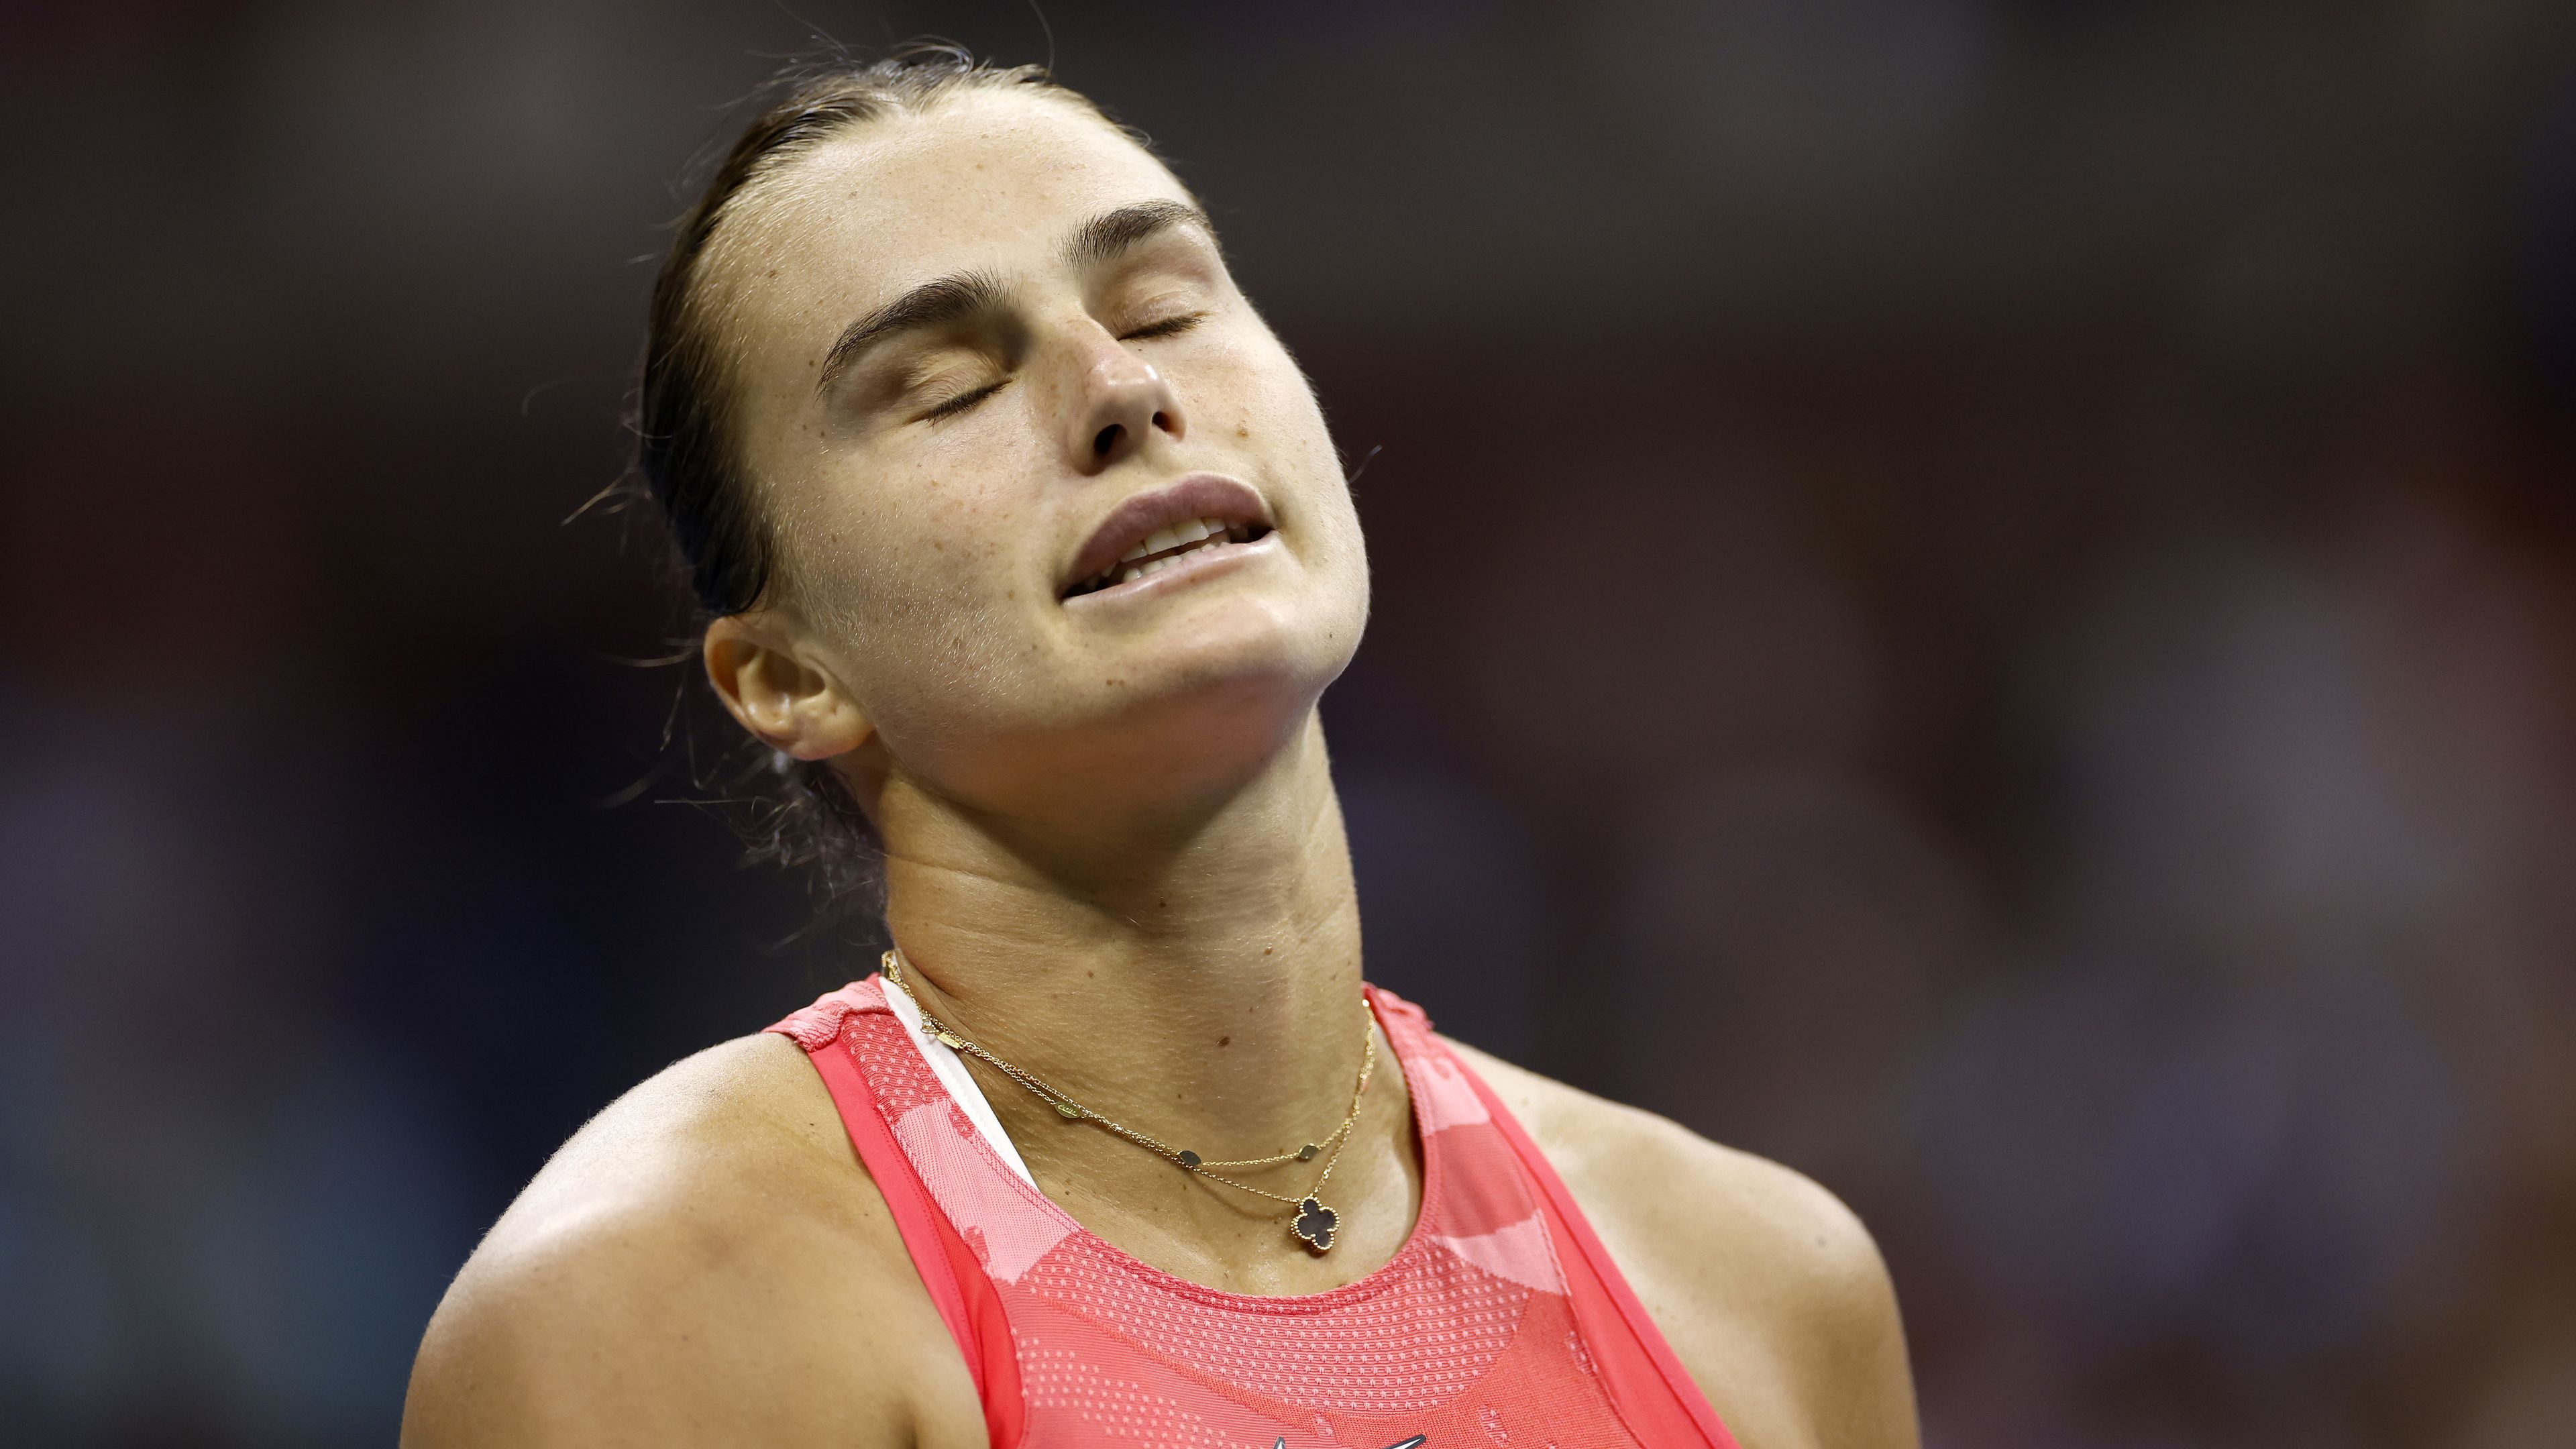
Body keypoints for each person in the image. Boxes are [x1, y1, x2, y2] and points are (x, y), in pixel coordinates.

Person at [400, 50, 1918, 1449]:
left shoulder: (1763, 1298)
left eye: (1164, 306)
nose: (1122, 391)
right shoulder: (664, 1306)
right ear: (787, 673)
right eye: (947, 387)